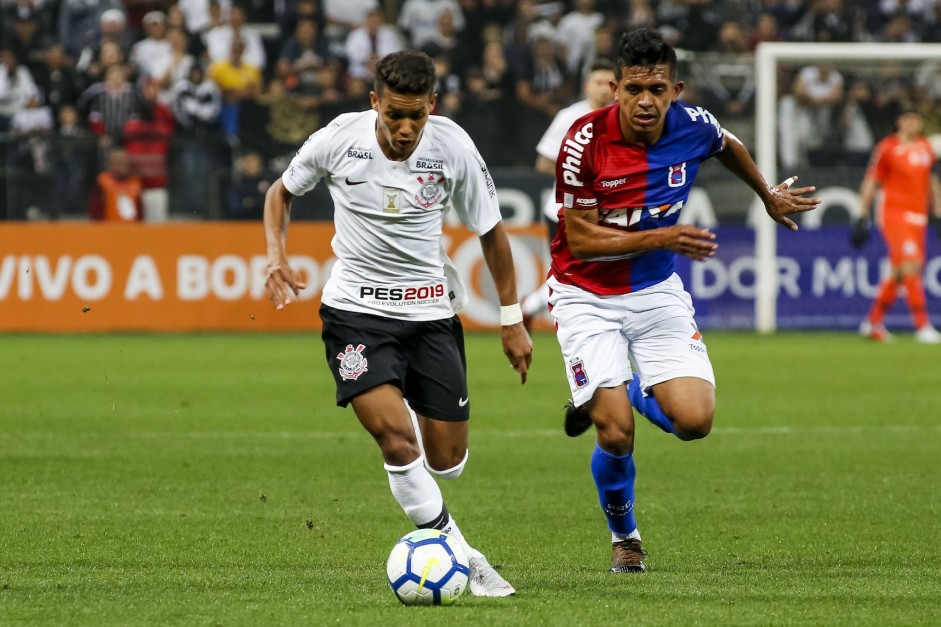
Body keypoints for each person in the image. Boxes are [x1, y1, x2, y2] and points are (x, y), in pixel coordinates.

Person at [548, 29, 819, 573]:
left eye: (657, 89)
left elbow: (728, 145)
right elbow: (580, 239)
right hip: (586, 295)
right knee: (616, 430)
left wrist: (766, 194)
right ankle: (626, 539)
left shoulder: (694, 125)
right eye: (633, 89)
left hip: (654, 293)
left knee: (695, 422)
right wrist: (663, 237)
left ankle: (614, 388)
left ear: (676, 89)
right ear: (614, 87)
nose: (645, 101)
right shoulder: (582, 142)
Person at [263, 50, 532, 596]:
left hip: (431, 312)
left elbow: (491, 234)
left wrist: (511, 319)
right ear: (374, 104)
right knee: (395, 441)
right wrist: (275, 254)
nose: (406, 129)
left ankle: (408, 401)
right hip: (356, 313)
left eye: (417, 116)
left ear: (432, 105)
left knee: (447, 460)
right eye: (394, 116)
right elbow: (280, 193)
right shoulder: (339, 138)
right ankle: (461, 552)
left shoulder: (452, 145)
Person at [521, 59, 616, 330]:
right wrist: (581, 175)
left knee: (596, 272)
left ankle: (530, 306)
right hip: (565, 210)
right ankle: (578, 325)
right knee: (577, 274)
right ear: (587, 86)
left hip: (608, 210)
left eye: (609, 84)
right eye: (598, 83)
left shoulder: (624, 119)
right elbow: (543, 162)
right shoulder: (570, 117)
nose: (604, 90)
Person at [853, 109, 941, 344]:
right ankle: (922, 325)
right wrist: (862, 213)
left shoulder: (926, 147)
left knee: (899, 271)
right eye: (908, 119)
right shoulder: (888, 148)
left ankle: (872, 323)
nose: (913, 123)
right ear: (899, 122)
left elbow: (932, 180)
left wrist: (939, 211)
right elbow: (872, 180)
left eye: (916, 118)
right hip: (895, 214)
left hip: (919, 217)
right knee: (912, 265)